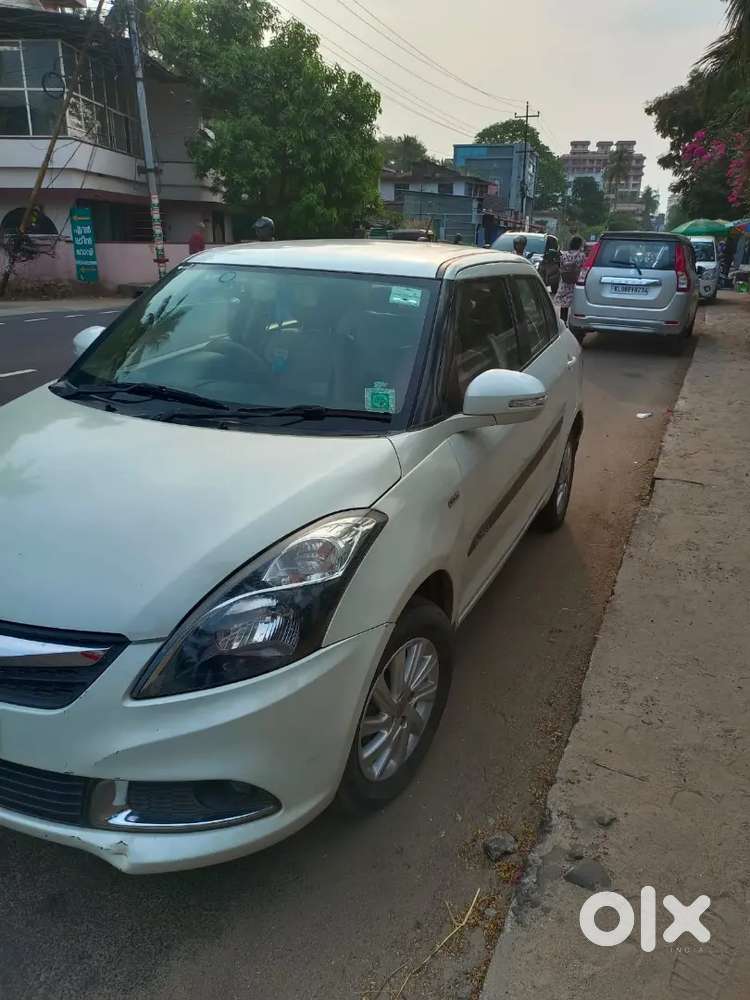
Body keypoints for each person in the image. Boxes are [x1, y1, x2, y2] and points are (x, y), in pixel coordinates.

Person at [556, 235, 586, 325]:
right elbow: (584, 269)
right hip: (576, 283)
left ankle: (563, 321)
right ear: (579, 245)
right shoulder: (581, 256)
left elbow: (560, 267)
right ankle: (574, 323)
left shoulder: (564, 255)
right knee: (576, 303)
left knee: (564, 304)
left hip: (565, 282)